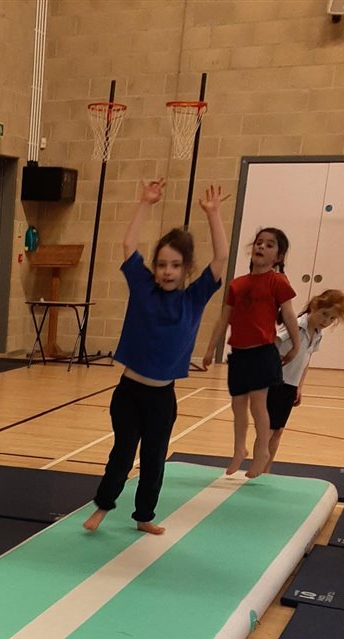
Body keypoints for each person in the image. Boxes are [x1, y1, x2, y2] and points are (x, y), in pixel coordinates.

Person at [83, 178, 228, 536]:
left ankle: (144, 515)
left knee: (154, 459)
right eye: (162, 264)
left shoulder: (193, 299)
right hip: (129, 392)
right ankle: (103, 506)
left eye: (175, 265)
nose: (167, 271)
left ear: (186, 269)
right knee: (122, 452)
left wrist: (213, 215)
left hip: (162, 397)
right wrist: (145, 203)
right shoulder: (143, 288)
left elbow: (221, 258)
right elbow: (128, 245)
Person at [201, 227, 300, 478]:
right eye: (259, 242)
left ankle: (262, 452)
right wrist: (210, 348)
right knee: (237, 405)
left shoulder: (277, 282)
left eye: (269, 245)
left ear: (278, 257)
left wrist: (297, 345)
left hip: (262, 353)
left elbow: (289, 314)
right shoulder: (237, 284)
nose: (261, 247)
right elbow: (224, 319)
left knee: (258, 405)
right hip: (239, 354)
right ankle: (239, 450)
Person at [265, 289, 344, 470]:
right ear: (315, 306)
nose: (326, 321)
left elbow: (306, 360)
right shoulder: (296, 326)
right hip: (276, 383)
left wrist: (299, 387)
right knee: (268, 431)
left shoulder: (317, 334)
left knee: (278, 431)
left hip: (290, 385)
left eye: (332, 319)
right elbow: (273, 344)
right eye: (324, 314)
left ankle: (266, 470)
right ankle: (257, 468)